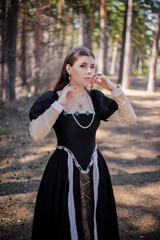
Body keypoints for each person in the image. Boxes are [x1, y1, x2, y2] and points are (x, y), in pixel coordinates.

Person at [29, 46, 137, 240]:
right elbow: (37, 134)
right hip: (63, 170)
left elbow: (129, 118)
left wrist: (113, 88)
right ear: (69, 69)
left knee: (96, 218)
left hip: (96, 168)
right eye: (83, 66)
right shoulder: (52, 99)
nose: (89, 71)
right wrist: (59, 104)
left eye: (93, 66)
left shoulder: (95, 99)